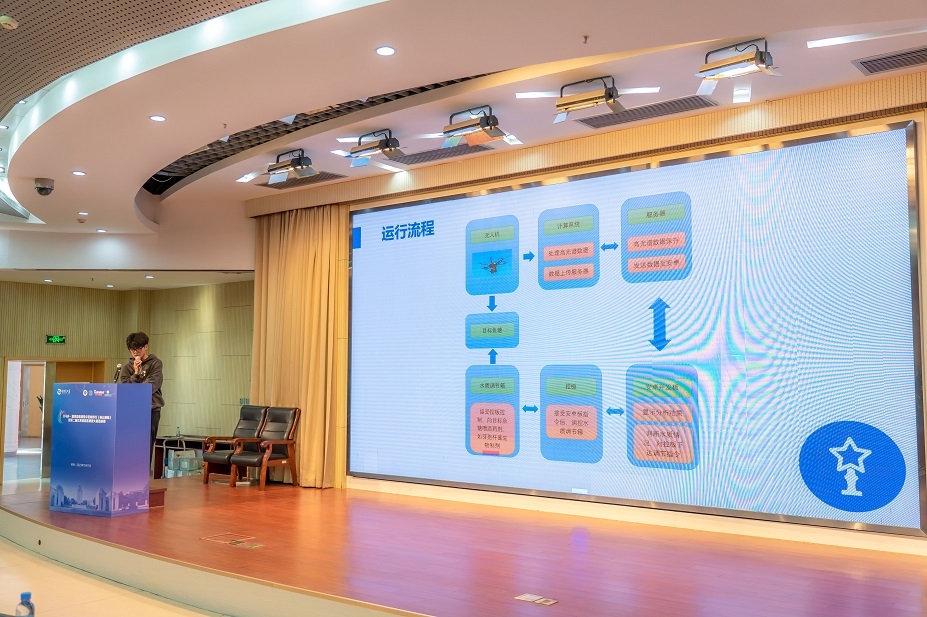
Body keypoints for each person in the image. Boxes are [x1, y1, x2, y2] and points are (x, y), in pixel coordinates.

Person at [118, 332, 164, 464]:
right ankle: (129, 472)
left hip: (150, 410)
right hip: (131, 411)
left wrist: (135, 387)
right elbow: (126, 390)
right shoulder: (127, 367)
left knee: (146, 445)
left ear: (146, 347)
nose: (135, 352)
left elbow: (150, 387)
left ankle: (143, 474)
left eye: (138, 348)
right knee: (130, 444)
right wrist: (136, 373)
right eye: (132, 349)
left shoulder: (155, 364)